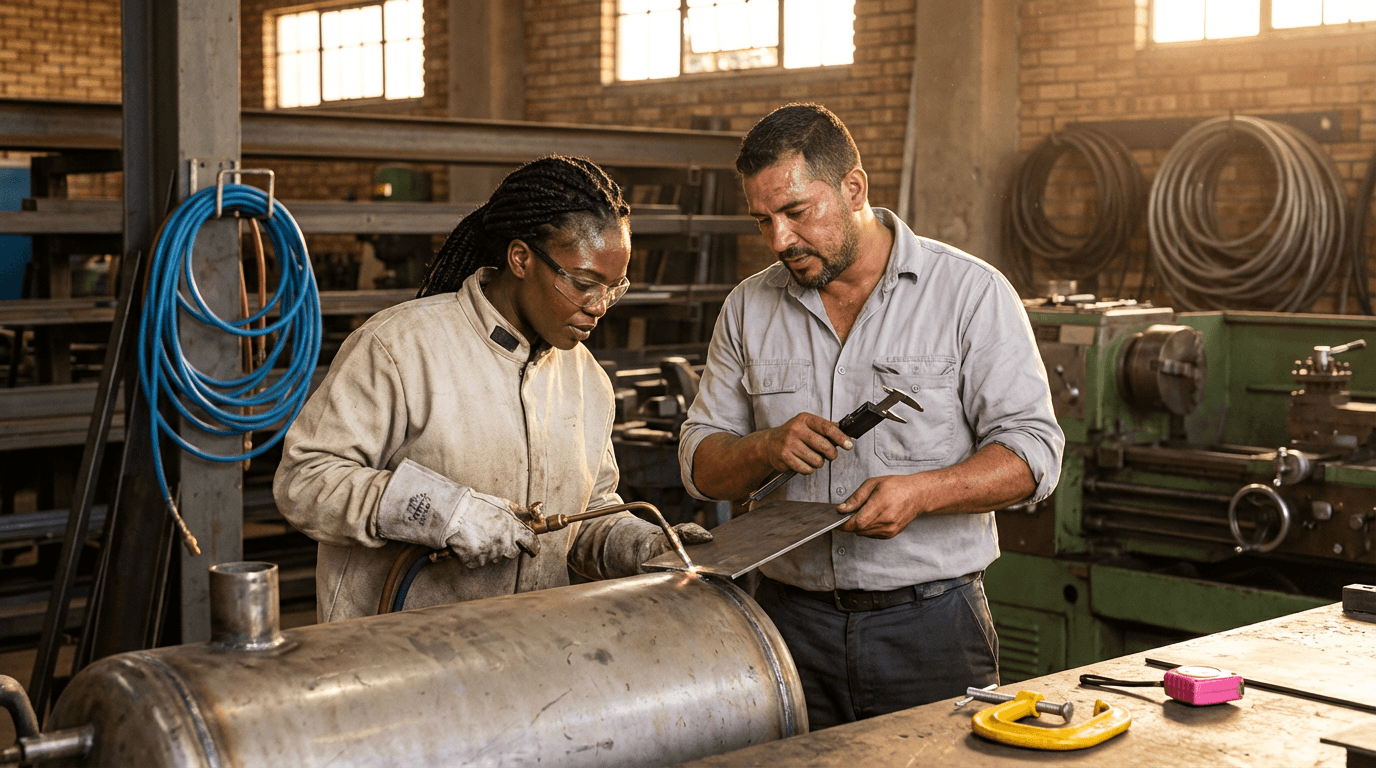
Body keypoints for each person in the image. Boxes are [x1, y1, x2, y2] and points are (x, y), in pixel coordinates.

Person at [679, 104, 1064, 728]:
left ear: (853, 187)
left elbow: (1034, 456)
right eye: (762, 221)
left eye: (797, 213)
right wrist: (764, 449)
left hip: (931, 627)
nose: (779, 240)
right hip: (784, 625)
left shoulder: (970, 294)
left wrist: (923, 492)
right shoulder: (749, 307)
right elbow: (701, 465)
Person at [275, 155, 710, 622]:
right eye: (584, 284)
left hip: (526, 658)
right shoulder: (400, 347)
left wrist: (647, 545)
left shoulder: (587, 381)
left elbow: (586, 519)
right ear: (520, 258)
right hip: (399, 662)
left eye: (613, 288)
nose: (600, 306)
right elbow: (304, 481)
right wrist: (441, 511)